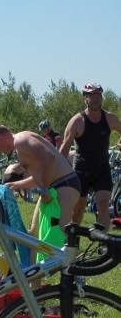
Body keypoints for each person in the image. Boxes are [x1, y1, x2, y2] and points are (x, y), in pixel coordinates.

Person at [0, 124, 80, 233]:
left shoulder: (21, 140)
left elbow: (49, 157)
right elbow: (40, 176)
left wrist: (44, 189)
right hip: (52, 186)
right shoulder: (19, 147)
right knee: (35, 232)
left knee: (58, 232)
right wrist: (16, 185)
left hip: (64, 184)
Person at [59, 82, 121, 229]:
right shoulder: (77, 121)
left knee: (103, 207)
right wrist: (59, 172)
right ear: (85, 98)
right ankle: (72, 243)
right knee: (78, 212)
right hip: (81, 171)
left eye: (98, 95)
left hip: (102, 170)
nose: (96, 99)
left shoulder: (110, 118)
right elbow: (64, 148)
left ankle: (103, 244)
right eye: (92, 96)